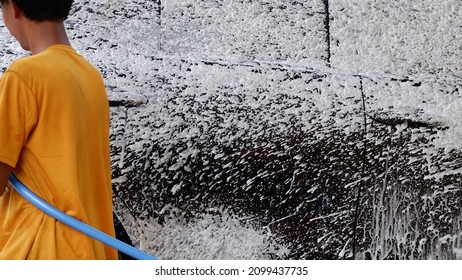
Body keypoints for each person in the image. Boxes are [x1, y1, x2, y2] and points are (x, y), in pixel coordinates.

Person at [0, 0, 118, 259]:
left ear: (14, 7)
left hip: (42, 250)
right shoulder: (90, 76)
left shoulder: (23, 75)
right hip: (89, 251)